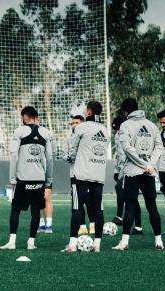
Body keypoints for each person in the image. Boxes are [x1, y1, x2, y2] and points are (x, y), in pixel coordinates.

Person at [112, 98, 163, 251]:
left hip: (132, 172)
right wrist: (150, 164)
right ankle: (159, 242)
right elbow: (159, 147)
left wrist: (142, 164)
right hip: (148, 172)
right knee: (152, 206)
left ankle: (124, 242)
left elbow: (127, 149)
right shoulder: (152, 125)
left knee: (130, 206)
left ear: (126, 112)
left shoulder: (125, 125)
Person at [1, 106, 53, 251]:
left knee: (15, 210)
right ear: (36, 116)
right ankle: (31, 242)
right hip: (39, 179)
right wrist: (48, 180)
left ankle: (12, 242)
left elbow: (13, 155)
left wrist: (12, 178)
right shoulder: (46, 133)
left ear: (25, 117)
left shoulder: (20, 131)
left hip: (23, 178)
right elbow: (50, 158)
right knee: (36, 211)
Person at [63, 101, 108, 253]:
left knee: (76, 208)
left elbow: (73, 150)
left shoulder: (81, 127)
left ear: (88, 112)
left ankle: (72, 244)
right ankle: (97, 244)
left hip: (81, 174)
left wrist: (70, 158)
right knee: (98, 210)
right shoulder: (105, 130)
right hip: (98, 175)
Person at [112, 114, 142, 230]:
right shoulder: (117, 136)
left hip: (133, 168)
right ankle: (138, 226)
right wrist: (116, 170)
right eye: (116, 130)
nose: (118, 131)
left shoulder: (130, 133)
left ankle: (120, 216)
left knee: (121, 189)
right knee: (130, 195)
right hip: (123, 169)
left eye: (119, 129)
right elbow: (120, 155)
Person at [64, 115, 89, 235]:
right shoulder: (69, 138)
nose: (74, 125)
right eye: (73, 123)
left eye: (77, 122)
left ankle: (94, 224)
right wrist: (69, 157)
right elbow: (65, 154)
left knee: (90, 200)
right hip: (74, 174)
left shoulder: (87, 137)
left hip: (87, 173)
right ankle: (82, 226)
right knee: (77, 201)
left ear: (82, 124)